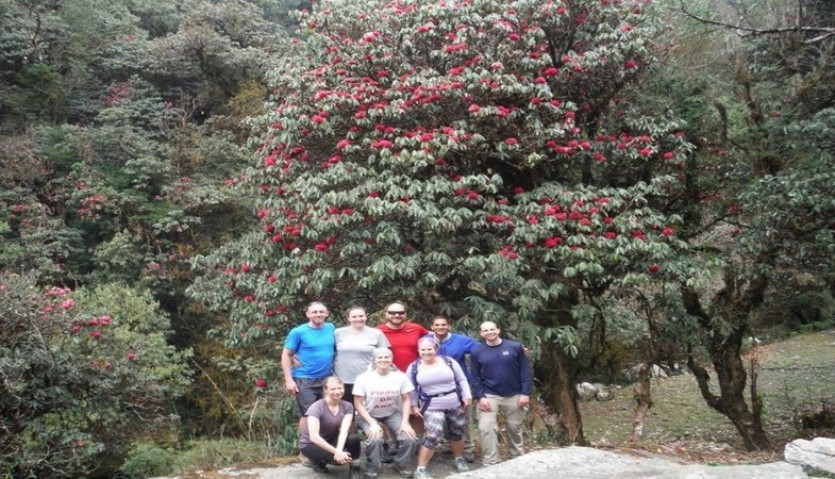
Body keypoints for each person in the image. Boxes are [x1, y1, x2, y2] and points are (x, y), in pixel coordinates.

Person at [469, 321, 533, 467]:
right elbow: (475, 377)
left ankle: (517, 458)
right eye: (486, 330)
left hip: (515, 394)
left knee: (514, 427)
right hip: (489, 395)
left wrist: (525, 393)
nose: (489, 332)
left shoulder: (515, 347)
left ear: (498, 330)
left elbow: (525, 371)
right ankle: (491, 461)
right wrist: (480, 397)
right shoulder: (477, 351)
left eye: (492, 329)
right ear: (481, 333)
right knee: (486, 427)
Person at [407, 337, 472, 479]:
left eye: (429, 349)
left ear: (435, 349)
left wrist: (467, 395)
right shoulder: (414, 367)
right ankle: (421, 469)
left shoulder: (448, 362)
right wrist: (413, 405)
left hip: (454, 402)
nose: (426, 352)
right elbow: (411, 389)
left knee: (457, 432)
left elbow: (461, 379)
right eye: (423, 349)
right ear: (418, 350)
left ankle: (459, 459)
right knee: (433, 435)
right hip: (431, 405)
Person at [281, 302, 336, 464]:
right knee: (308, 414)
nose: (318, 314)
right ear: (308, 314)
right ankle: (305, 449)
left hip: (326, 378)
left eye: (321, 311)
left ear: (326, 313)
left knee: (325, 413)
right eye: (314, 312)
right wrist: (289, 380)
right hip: (304, 378)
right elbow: (286, 354)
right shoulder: (298, 332)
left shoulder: (331, 328)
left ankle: (322, 447)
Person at [353, 348, 419, 479]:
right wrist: (372, 424)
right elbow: (358, 404)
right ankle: (373, 467)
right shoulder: (363, 378)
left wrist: (405, 423)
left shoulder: (399, 377)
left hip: (392, 412)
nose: (383, 360)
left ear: (391, 359)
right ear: (374, 360)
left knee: (410, 437)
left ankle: (401, 463)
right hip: (369, 414)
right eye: (380, 357)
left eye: (387, 357)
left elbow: (406, 399)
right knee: (375, 437)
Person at [422, 315, 479, 462]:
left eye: (443, 325)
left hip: (458, 385)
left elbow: (482, 349)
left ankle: (467, 448)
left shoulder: (460, 340)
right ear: (432, 327)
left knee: (462, 418)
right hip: (434, 387)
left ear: (449, 326)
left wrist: (515, 349)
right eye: (437, 325)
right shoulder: (426, 340)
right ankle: (450, 444)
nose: (440, 327)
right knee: (443, 418)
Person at [299, 376, 363, 479]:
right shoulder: (316, 407)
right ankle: (317, 462)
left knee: (353, 438)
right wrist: (337, 452)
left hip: (331, 439)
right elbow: (314, 437)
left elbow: (344, 431)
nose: (337, 392)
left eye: (340, 388)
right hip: (310, 444)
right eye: (333, 389)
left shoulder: (348, 406)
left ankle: (355, 469)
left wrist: (339, 451)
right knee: (337, 460)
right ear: (325, 390)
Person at [334, 305, 389, 404]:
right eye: (354, 317)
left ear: (366, 317)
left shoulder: (376, 333)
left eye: (361, 316)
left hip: (368, 379)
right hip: (342, 381)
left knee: (367, 409)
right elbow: (328, 351)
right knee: (346, 410)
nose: (358, 319)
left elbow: (385, 355)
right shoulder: (338, 333)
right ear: (348, 318)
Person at [377, 302, 428, 372]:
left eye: (401, 313)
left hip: (414, 372)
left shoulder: (416, 328)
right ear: (386, 314)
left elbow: (434, 338)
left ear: (405, 314)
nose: (397, 315)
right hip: (388, 374)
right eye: (392, 313)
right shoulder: (377, 332)